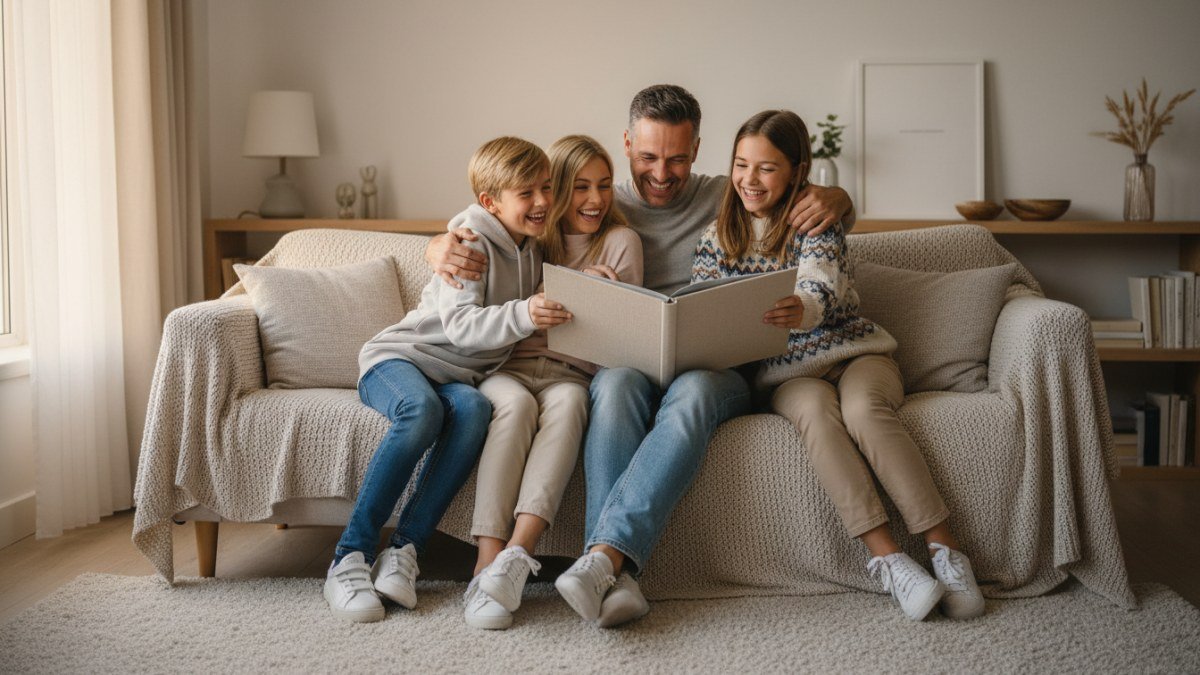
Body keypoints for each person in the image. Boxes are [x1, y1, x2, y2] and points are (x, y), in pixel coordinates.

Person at [426, 84, 855, 628]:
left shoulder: (726, 194)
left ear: (697, 149)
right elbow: (503, 219)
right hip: (628, 363)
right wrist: (438, 244)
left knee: (694, 390)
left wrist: (842, 199)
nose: (661, 172)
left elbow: (799, 201)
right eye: (648, 157)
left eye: (677, 158)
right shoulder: (596, 200)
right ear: (627, 145)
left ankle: (602, 562)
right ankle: (613, 573)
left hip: (713, 367)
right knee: (614, 386)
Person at [692, 109, 985, 621]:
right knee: (816, 419)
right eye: (741, 165)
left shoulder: (817, 219)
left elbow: (820, 287)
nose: (749, 179)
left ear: (797, 171)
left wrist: (799, 309)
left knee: (866, 412)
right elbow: (706, 303)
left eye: (766, 168)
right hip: (787, 375)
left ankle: (945, 549)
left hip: (856, 353)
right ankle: (889, 561)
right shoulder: (717, 239)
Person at [324, 136, 569, 623]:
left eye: (546, 187)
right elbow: (460, 327)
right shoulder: (471, 241)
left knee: (476, 410)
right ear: (490, 202)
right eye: (527, 192)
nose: (542, 201)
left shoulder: (533, 246)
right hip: (398, 360)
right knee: (423, 411)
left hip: (455, 377)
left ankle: (404, 551)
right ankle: (348, 557)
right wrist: (525, 313)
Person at [464, 135, 643, 630]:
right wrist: (439, 247)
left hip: (571, 373)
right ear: (554, 190)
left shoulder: (621, 241)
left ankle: (517, 558)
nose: (595, 199)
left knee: (568, 406)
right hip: (508, 368)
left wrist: (606, 300)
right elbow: (475, 224)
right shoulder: (528, 237)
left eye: (605, 186)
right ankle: (486, 563)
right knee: (514, 409)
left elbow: (624, 344)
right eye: (580, 186)